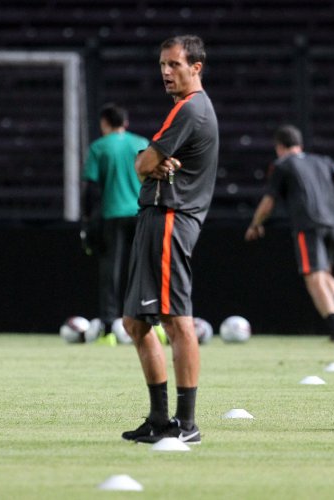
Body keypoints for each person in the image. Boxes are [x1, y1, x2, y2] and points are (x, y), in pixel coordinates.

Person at [121, 34, 219, 444]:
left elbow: (143, 162)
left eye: (174, 64)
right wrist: (147, 162)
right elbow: (143, 162)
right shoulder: (187, 108)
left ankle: (187, 423)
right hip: (157, 218)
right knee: (135, 322)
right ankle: (160, 419)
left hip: (170, 219)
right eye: (162, 64)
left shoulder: (190, 107)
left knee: (177, 320)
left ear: (196, 67)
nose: (166, 71)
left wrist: (148, 162)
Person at [245, 125, 334, 342]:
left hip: (308, 225)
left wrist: (255, 223)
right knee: (325, 273)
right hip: (333, 224)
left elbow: (269, 201)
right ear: (300, 144)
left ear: (279, 147)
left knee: (313, 276)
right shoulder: (323, 161)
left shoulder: (282, 165)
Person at [81, 103, 149, 346]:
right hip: (141, 214)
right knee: (144, 269)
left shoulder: (99, 147)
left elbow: (91, 187)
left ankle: (109, 328)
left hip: (112, 214)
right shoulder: (141, 143)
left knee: (111, 271)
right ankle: (150, 323)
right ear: (125, 122)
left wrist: (88, 218)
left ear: (104, 123)